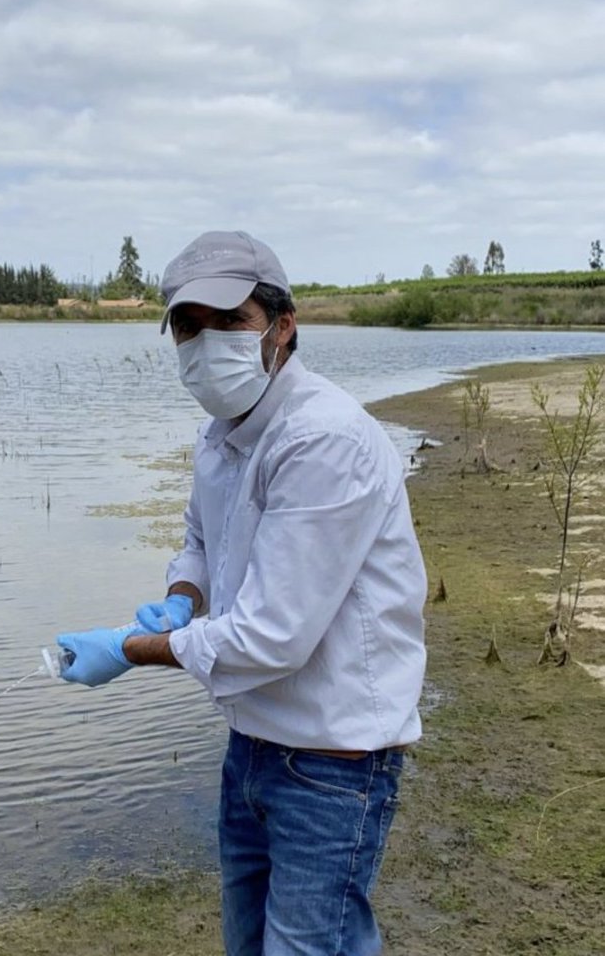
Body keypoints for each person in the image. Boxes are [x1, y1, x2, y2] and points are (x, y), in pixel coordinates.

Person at [57, 230, 427, 956]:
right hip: (253, 745)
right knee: (250, 942)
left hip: (333, 759)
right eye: (189, 328)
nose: (206, 343)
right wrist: (184, 597)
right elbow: (200, 539)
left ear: (282, 328)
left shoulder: (322, 441)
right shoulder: (222, 434)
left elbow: (272, 636)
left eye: (230, 322)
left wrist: (132, 649)